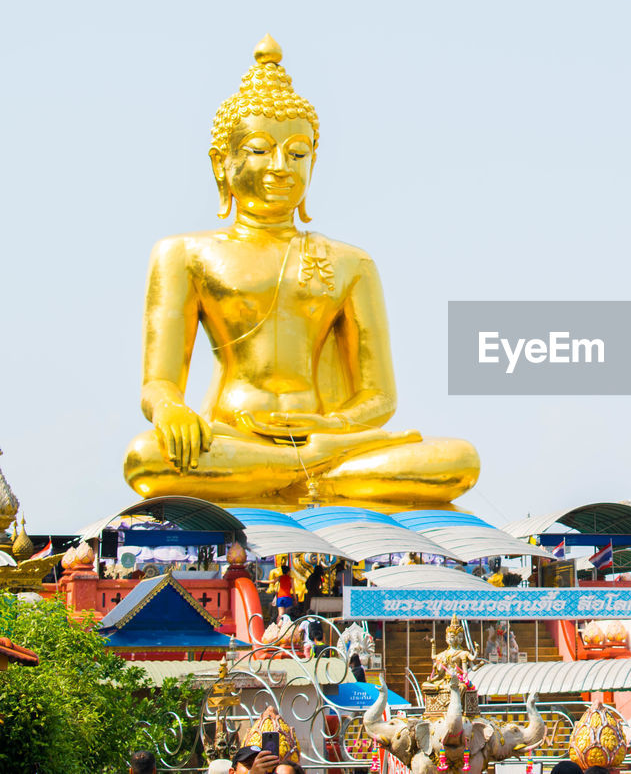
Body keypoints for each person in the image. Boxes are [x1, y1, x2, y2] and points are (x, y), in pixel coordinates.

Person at [121, 34, 479, 511]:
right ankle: (304, 477)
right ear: (221, 164)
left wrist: (328, 432)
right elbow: (158, 381)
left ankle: (299, 478)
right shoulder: (185, 253)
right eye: (258, 150)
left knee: (459, 459)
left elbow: (378, 396)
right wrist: (170, 409)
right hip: (233, 437)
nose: (279, 167)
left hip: (327, 439)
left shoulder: (351, 262)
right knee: (146, 457)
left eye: (297, 153)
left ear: (314, 160)